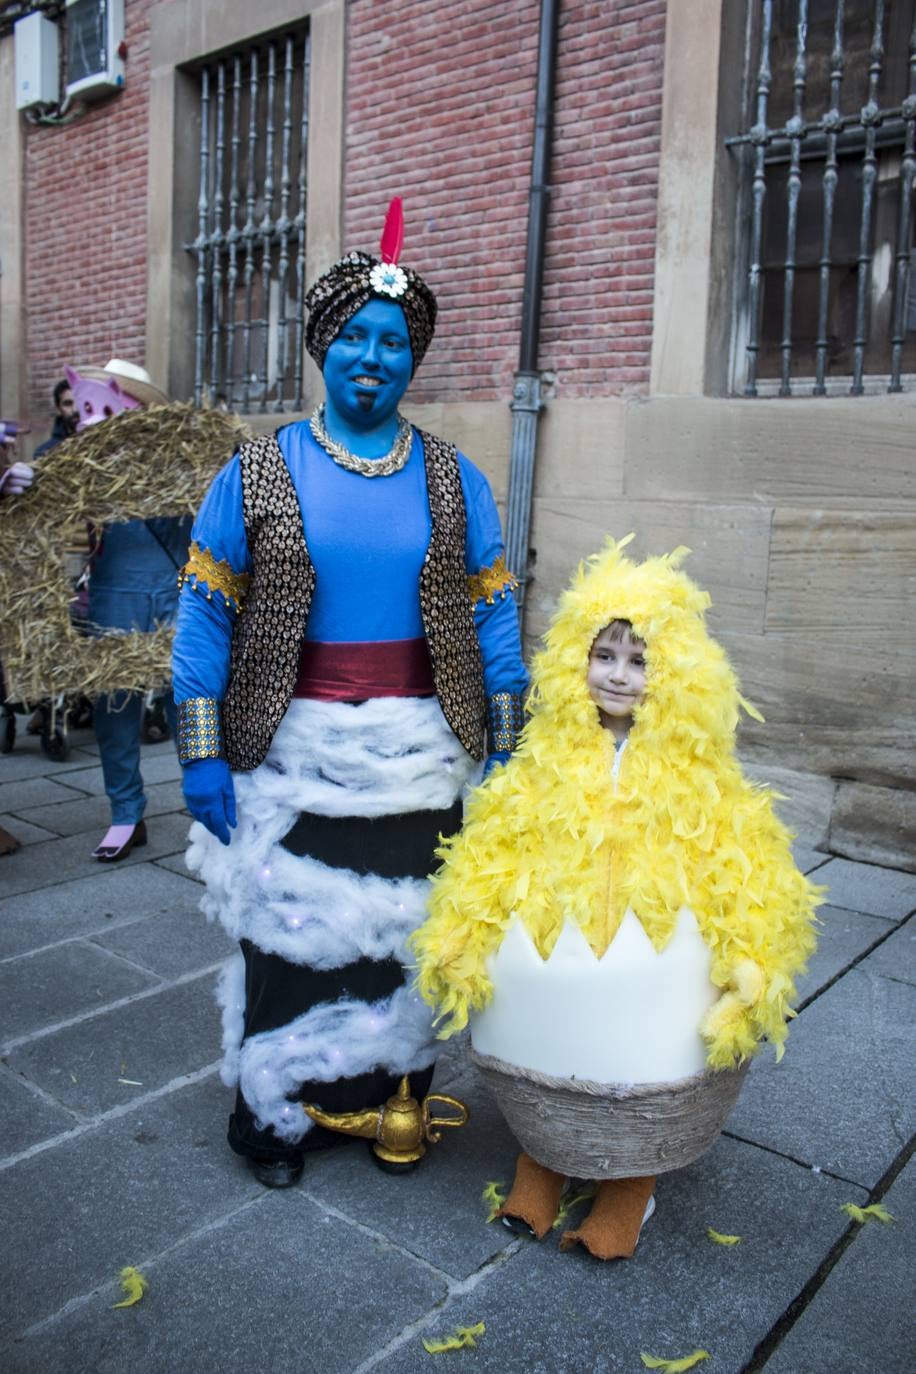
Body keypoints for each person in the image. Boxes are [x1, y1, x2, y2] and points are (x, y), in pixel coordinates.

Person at [171, 199, 528, 1189]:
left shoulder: (457, 483)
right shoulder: (257, 473)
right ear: (321, 349)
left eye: (393, 342)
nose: (373, 356)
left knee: (410, 939)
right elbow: (202, 619)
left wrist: (506, 741)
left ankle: (394, 1105)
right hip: (290, 757)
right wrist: (200, 753)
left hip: (421, 758)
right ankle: (279, 1114)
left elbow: (494, 616)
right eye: (354, 337)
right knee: (288, 941)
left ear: (412, 361)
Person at [412, 538, 821, 1260]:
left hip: (657, 953)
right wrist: (459, 932)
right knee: (544, 1035)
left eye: (640, 660)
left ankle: (631, 1183)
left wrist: (754, 961)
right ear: (577, 660)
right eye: (605, 656)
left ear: (678, 675)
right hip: (551, 940)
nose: (620, 677)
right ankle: (540, 1158)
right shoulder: (545, 753)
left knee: (648, 1038)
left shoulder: (699, 769)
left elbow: (750, 866)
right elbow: (494, 840)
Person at [68, 360, 191, 861]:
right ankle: (125, 814)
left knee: (190, 706)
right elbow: (52, 521)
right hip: (115, 596)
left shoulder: (184, 462)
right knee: (114, 710)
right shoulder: (83, 466)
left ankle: (205, 809)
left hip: (176, 595)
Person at [33, 378, 78, 458]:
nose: (75, 410)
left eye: (79, 401)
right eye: (67, 404)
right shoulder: (44, 453)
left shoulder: (101, 443)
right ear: (58, 408)